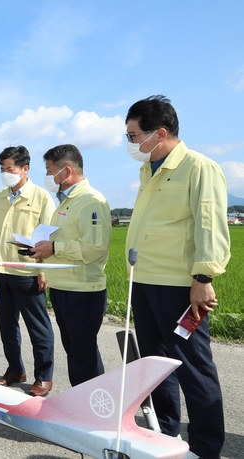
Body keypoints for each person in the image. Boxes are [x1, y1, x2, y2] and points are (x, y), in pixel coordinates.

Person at [123, 95, 230, 459]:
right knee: (156, 365)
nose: (131, 143)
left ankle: (205, 448)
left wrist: (203, 277)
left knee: (194, 367)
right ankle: (164, 434)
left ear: (160, 133)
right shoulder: (148, 169)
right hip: (145, 280)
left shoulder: (198, 167)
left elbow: (209, 225)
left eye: (134, 136)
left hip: (179, 286)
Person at [31, 144, 111, 387]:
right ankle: (90, 399)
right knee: (77, 352)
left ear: (66, 171)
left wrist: (54, 248)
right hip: (63, 287)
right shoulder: (66, 201)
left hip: (82, 291)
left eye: (49, 170)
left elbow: (95, 247)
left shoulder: (91, 201)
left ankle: (89, 402)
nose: (47, 176)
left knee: (82, 355)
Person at [0, 145, 57, 397]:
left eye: (10, 168)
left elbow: (48, 235)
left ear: (25, 169)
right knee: (7, 326)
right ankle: (15, 370)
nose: (5, 173)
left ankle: (44, 377)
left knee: (38, 328)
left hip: (28, 272)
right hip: (2, 271)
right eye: (2, 169)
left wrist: (43, 270)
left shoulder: (41, 197)